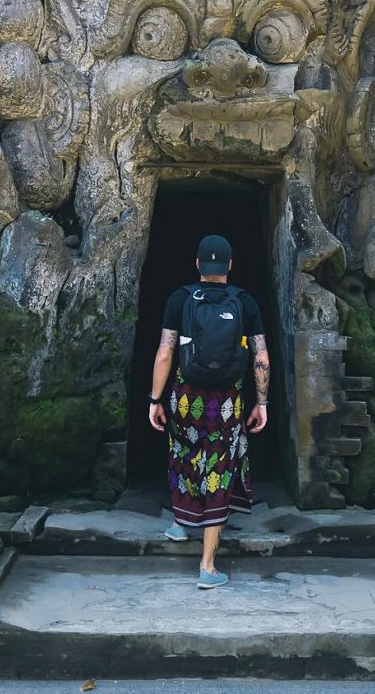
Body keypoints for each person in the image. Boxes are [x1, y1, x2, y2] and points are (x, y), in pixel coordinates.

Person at [148, 234, 270, 589]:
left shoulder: (179, 299)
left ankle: (181, 522)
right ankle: (207, 567)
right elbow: (260, 356)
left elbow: (164, 352)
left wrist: (155, 399)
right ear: (229, 266)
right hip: (227, 402)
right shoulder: (245, 302)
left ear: (198, 264)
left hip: (185, 397)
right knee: (218, 469)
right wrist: (261, 403)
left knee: (183, 454)